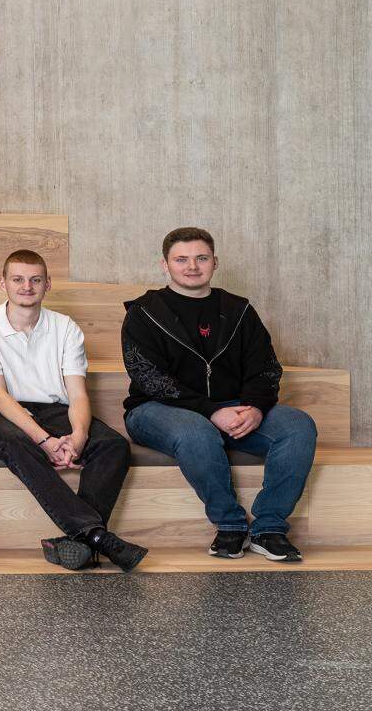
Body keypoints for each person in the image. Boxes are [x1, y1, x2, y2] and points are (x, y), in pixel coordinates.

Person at [122, 228, 317, 563]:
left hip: (234, 408)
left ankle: (268, 529)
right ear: (164, 265)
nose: (192, 266)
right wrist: (209, 411)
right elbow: (149, 378)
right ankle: (230, 526)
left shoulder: (239, 310)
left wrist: (255, 408)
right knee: (194, 431)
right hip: (156, 409)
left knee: (298, 426)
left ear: (215, 262)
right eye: (181, 259)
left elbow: (266, 368)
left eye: (201, 258)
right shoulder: (144, 313)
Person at [0, 250, 147, 571]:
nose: (26, 287)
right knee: (17, 441)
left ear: (47, 284)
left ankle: (82, 541)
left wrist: (78, 436)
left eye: (35, 280)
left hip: (53, 407)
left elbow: (77, 395)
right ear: (2, 283)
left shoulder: (65, 327)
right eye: (17, 279)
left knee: (112, 445)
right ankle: (96, 536)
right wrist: (46, 441)